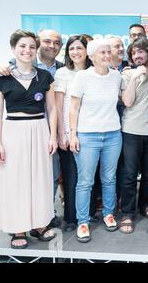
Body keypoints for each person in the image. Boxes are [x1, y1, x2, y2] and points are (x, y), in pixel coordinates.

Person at [0, 29, 64, 228]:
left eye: (32, 46)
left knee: (40, 179)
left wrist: (53, 136)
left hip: (40, 129)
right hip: (13, 131)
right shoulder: (1, 77)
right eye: (22, 46)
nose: (27, 50)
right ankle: (17, 229)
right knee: (14, 181)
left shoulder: (45, 76)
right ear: (13, 48)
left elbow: (52, 108)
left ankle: (40, 224)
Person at [69, 39, 122, 243]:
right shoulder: (82, 77)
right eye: (102, 52)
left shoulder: (116, 76)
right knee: (85, 182)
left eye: (109, 52)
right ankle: (83, 221)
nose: (107, 55)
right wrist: (73, 134)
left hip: (113, 135)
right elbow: (73, 107)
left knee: (109, 179)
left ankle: (109, 213)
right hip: (87, 136)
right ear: (91, 56)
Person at [118, 38, 148, 234]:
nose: (138, 56)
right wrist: (134, 77)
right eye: (134, 53)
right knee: (129, 174)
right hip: (131, 130)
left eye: (141, 52)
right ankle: (127, 212)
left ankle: (145, 206)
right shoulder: (127, 75)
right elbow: (127, 101)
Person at [54, 35, 91, 232]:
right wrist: (62, 133)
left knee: (88, 178)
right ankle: (71, 218)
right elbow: (59, 105)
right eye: (71, 49)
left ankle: (87, 214)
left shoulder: (95, 71)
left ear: (87, 51)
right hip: (69, 133)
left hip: (91, 132)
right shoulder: (62, 73)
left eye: (79, 48)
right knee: (71, 177)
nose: (75, 52)